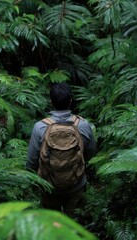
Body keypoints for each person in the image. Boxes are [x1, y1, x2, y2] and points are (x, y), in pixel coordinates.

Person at [26, 83, 96, 216]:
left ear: (51, 101)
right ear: (70, 101)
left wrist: (33, 182)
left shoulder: (40, 127)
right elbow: (91, 154)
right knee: (74, 223)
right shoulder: (83, 125)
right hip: (76, 183)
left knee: (53, 221)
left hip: (49, 186)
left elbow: (32, 160)